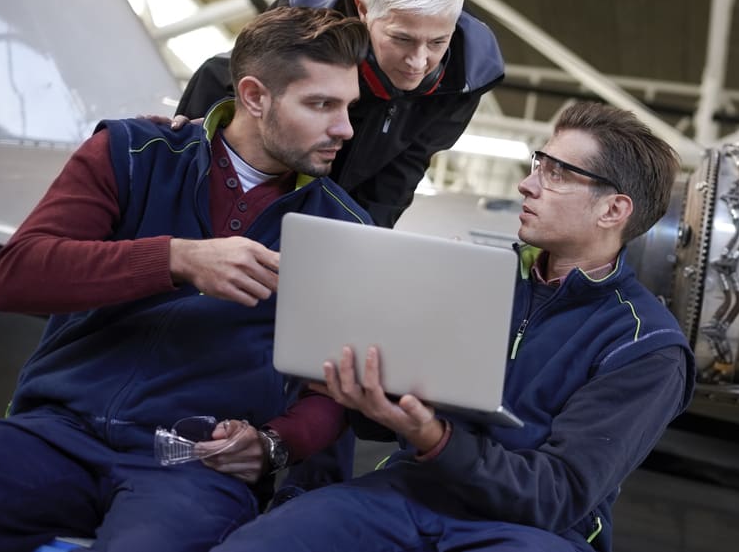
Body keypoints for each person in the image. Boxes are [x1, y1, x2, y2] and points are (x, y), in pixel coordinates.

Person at [212, 102, 694, 552]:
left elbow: (556, 494)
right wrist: (368, 397)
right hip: (411, 489)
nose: (528, 185)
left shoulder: (645, 346)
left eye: (558, 173)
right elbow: (399, 415)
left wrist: (435, 438)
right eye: (537, 164)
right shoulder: (481, 280)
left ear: (613, 210)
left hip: (530, 533)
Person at [0, 7, 372, 552]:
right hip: (55, 435)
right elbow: (15, 276)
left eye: (349, 107)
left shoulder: (345, 230)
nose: (345, 128)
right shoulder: (130, 153)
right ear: (255, 96)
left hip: (194, 467)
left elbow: (331, 392)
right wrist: (176, 259)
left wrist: (273, 444)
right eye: (321, 105)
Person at [175, 0, 505, 229]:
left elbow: (403, 170)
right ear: (362, 10)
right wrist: (183, 146)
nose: (418, 62)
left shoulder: (469, 75)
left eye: (437, 42)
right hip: (274, 174)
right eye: (401, 39)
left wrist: (358, 245)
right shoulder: (306, 15)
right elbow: (227, 77)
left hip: (357, 179)